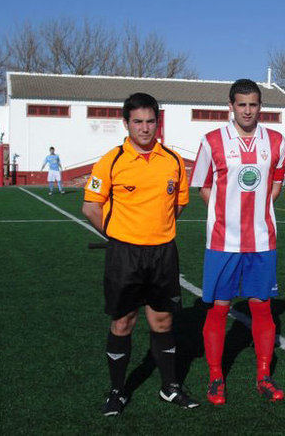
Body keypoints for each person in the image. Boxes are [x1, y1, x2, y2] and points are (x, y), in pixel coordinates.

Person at [82, 92, 198, 416]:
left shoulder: (173, 161)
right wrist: (117, 235)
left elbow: (179, 205)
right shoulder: (111, 160)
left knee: (162, 320)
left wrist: (154, 229)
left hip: (163, 252)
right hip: (125, 255)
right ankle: (117, 392)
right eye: (138, 122)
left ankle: (170, 387)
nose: (145, 129)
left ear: (157, 123)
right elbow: (90, 205)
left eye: (150, 122)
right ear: (126, 123)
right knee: (123, 322)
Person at [190, 79, 285, 405]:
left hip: (262, 240)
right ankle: (216, 377)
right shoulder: (211, 141)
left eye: (254, 104)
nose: (248, 110)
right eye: (242, 104)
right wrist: (227, 214)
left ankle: (263, 375)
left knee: (262, 307)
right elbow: (204, 187)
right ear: (230, 106)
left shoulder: (276, 142)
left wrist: (257, 213)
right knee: (219, 309)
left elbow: (275, 184)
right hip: (223, 242)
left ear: (261, 106)